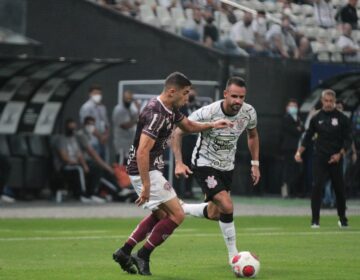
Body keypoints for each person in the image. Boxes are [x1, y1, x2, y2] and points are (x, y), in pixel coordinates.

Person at [112, 72, 232, 276]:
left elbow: (188, 126)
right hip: (145, 170)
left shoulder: (170, 109)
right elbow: (142, 151)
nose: (187, 98)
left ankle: (124, 252)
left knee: (161, 214)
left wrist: (212, 125)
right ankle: (143, 254)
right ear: (172, 91)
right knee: (177, 214)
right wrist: (147, 186)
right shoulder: (156, 114)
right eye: (185, 94)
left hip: (147, 169)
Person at [171, 76, 260, 265]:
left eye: (241, 97)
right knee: (227, 205)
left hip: (227, 167)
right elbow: (177, 132)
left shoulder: (249, 112)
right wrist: (179, 162)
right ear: (225, 94)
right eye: (234, 96)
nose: (238, 101)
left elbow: (252, 135)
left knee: (216, 213)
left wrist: (255, 163)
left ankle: (183, 208)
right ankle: (234, 257)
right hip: (204, 164)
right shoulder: (207, 112)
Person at [295, 89, 352, 228]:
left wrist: (340, 154)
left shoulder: (342, 118)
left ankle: (342, 219)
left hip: (336, 158)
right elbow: (308, 136)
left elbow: (348, 139)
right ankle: (315, 220)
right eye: (326, 101)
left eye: (331, 101)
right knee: (317, 187)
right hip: (320, 158)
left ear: (334, 101)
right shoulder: (316, 118)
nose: (328, 104)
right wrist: (299, 152)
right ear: (322, 101)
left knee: (339, 189)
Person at [280, 99, 304, 198]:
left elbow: (302, 129)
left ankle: (294, 191)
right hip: (289, 148)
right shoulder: (286, 118)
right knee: (288, 168)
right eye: (291, 106)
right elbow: (295, 131)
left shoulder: (298, 118)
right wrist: (298, 129)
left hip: (297, 148)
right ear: (287, 108)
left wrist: (299, 129)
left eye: (295, 106)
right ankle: (285, 190)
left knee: (296, 169)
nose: (293, 108)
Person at [79, 84, 110, 160]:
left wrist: (106, 135)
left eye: (99, 93)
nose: (98, 95)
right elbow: (88, 126)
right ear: (90, 94)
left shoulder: (102, 107)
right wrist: (100, 137)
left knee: (105, 162)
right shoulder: (86, 107)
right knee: (95, 163)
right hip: (92, 140)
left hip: (103, 141)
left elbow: (106, 123)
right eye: (95, 93)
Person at [112, 90, 140, 165]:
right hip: (121, 145)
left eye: (130, 99)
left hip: (129, 143)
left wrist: (138, 109)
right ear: (123, 98)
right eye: (127, 99)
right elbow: (125, 126)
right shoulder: (119, 110)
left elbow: (138, 118)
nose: (128, 100)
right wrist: (135, 120)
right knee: (121, 166)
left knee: (128, 166)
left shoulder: (131, 109)